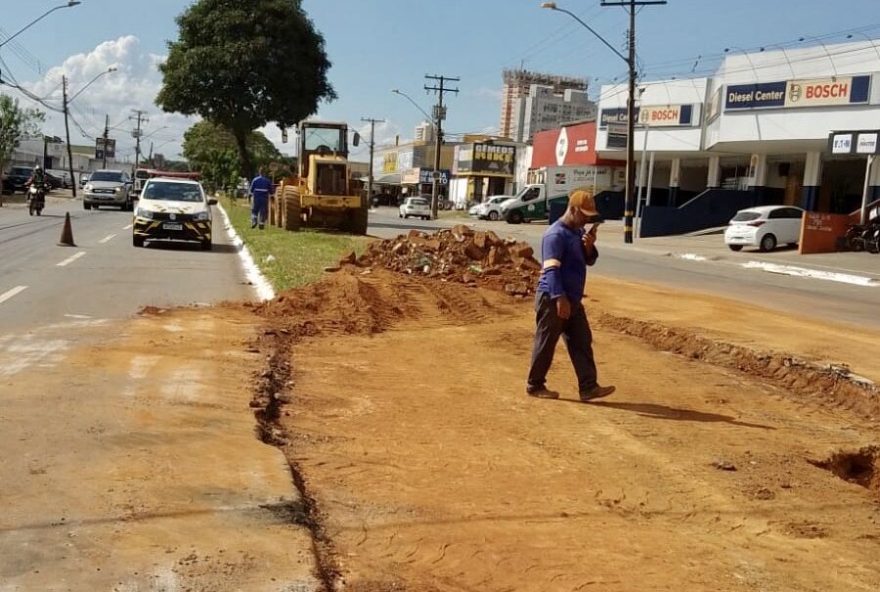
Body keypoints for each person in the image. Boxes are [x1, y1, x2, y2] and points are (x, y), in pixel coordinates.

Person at [526, 188, 616, 402]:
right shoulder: (555, 235)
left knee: (582, 341)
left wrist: (589, 247)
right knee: (546, 342)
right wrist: (560, 298)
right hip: (553, 297)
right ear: (573, 209)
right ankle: (535, 385)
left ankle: (588, 387)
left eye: (589, 216)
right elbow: (551, 269)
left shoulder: (576, 233)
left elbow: (587, 261)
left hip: (573, 299)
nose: (586, 220)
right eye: (584, 215)